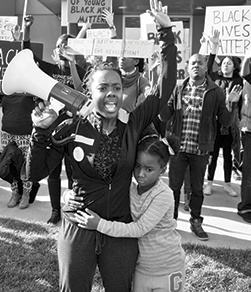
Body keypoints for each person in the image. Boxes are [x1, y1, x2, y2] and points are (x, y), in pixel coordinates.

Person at [23, 1, 177, 290]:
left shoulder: (132, 123)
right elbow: (34, 174)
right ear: (89, 91)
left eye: (117, 88)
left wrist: (166, 32)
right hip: (78, 227)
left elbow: (164, 88)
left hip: (118, 231)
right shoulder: (72, 126)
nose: (111, 94)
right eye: (103, 87)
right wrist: (39, 132)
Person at [74, 133, 186, 292]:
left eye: (149, 169)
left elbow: (139, 228)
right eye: (137, 166)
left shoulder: (164, 195)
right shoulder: (131, 188)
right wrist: (71, 194)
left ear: (163, 170)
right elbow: (105, 191)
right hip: (142, 268)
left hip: (168, 267)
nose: (141, 174)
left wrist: (99, 224)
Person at [160, 52, 242, 241]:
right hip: (178, 148)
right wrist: (160, 98)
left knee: (197, 189)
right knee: (173, 187)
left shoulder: (216, 92)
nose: (196, 65)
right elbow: (165, 116)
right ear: (188, 68)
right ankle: (170, 222)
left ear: (206, 68)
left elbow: (226, 122)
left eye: (200, 63)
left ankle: (196, 221)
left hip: (200, 149)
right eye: (193, 63)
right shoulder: (179, 89)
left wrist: (232, 103)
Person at [23, 15, 87, 224]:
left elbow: (80, 91)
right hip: (50, 130)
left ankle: (70, 208)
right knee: (52, 173)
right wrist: (27, 29)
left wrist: (72, 63)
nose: (65, 48)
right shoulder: (49, 69)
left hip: (72, 131)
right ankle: (55, 210)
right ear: (57, 48)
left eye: (69, 46)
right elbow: (27, 55)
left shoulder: (82, 71)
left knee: (72, 172)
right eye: (62, 46)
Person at [0, 92, 40, 210]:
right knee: (8, 164)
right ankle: (15, 192)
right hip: (7, 133)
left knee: (26, 166)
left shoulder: (30, 89)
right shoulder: (5, 89)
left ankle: (26, 194)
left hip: (25, 134)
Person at [202, 31, 243, 197]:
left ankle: (227, 184)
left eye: (229, 63)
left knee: (227, 153)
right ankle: (209, 182)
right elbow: (209, 64)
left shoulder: (239, 81)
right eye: (224, 63)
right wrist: (214, 47)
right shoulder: (214, 78)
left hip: (231, 123)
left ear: (234, 66)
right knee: (212, 155)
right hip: (215, 123)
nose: (225, 65)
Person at [237, 53, 251, 223]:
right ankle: (246, 206)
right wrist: (248, 55)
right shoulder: (248, 76)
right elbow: (245, 73)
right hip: (249, 132)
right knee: (248, 173)